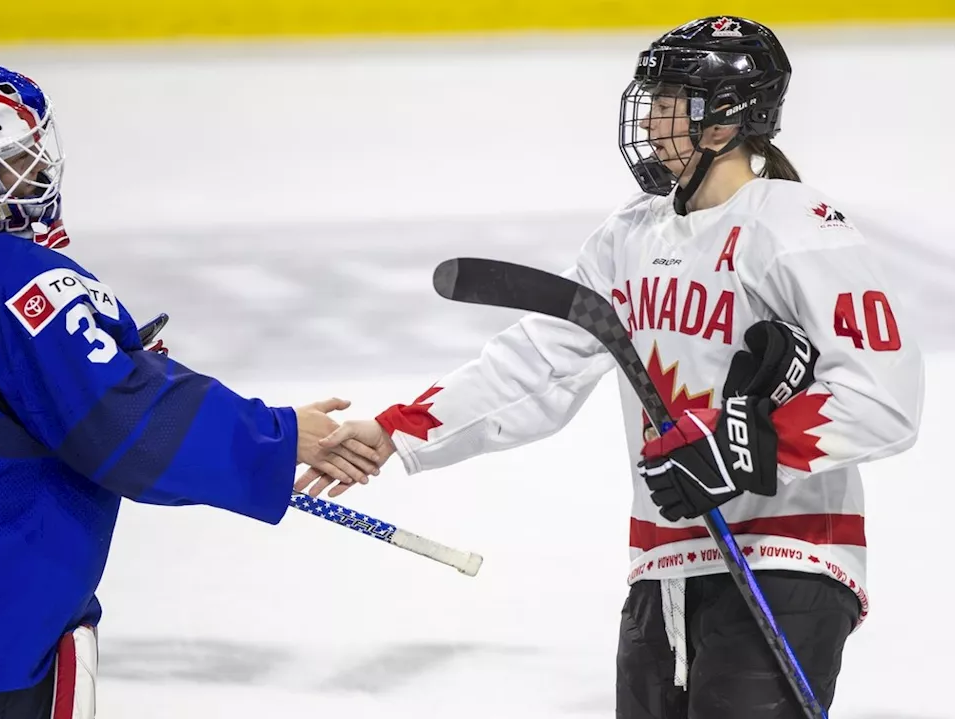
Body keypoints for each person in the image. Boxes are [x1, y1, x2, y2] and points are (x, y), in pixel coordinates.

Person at [299, 16, 924, 719]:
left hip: (788, 555)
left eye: (670, 102)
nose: (652, 121)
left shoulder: (797, 226)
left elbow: (884, 395)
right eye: (652, 99)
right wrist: (394, 432)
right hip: (664, 569)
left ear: (725, 118)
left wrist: (745, 450)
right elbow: (537, 362)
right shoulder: (631, 234)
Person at [0, 56, 377, 719]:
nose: (37, 172)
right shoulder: (19, 286)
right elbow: (130, 428)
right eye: (19, 159)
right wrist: (280, 436)